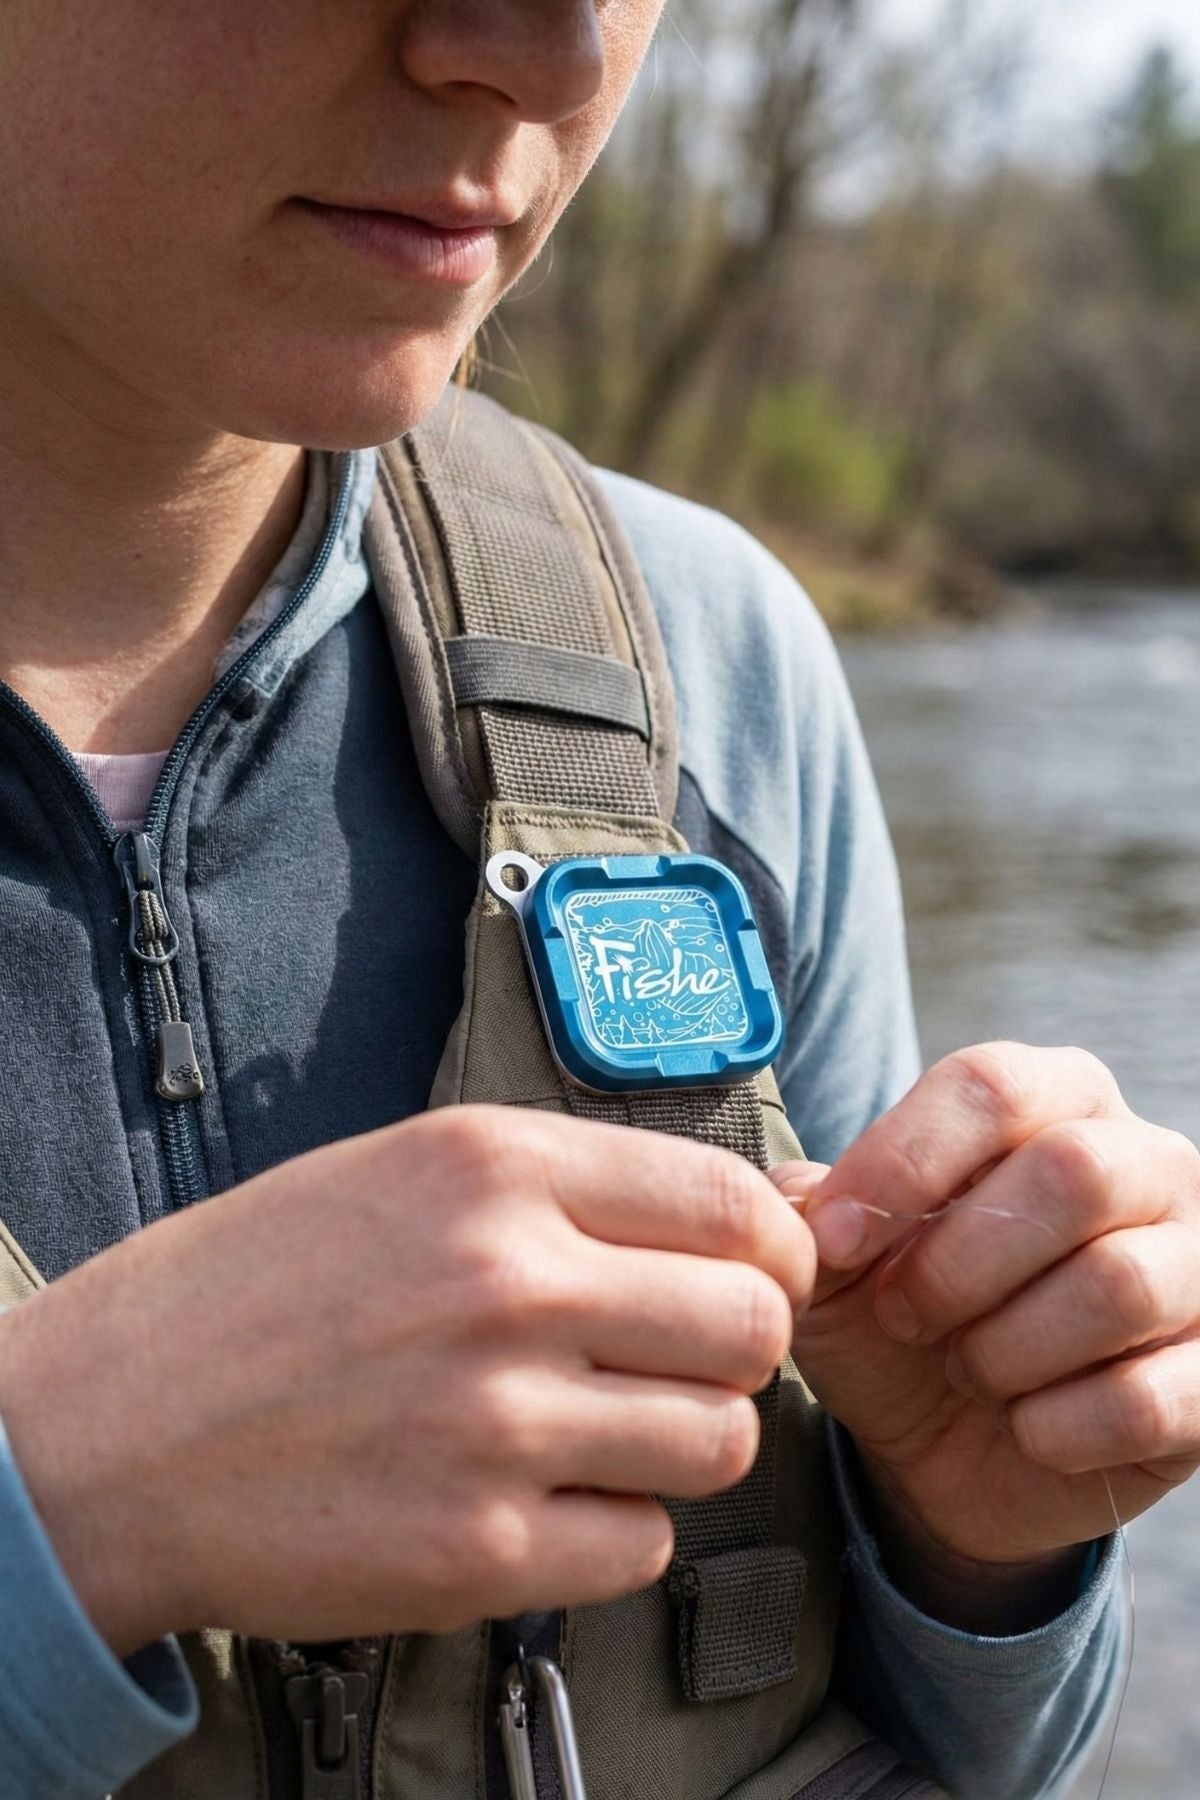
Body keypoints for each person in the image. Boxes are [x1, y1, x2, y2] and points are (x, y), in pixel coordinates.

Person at [0, 4, 1196, 1797]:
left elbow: (955, 1748)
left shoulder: (709, 653)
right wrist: (53, 1508)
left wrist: (981, 1543)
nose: (550, 53)